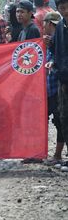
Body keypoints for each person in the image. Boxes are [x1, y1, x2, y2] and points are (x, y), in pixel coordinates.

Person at [43, 12, 64, 166]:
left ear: (49, 23)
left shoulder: (60, 40)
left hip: (57, 88)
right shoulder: (47, 41)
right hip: (48, 89)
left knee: (59, 121)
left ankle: (58, 154)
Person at [51, 0, 68, 171]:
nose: (65, 11)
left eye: (66, 7)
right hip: (63, 80)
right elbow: (57, 50)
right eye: (61, 8)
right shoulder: (61, 26)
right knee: (64, 117)